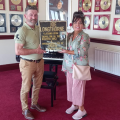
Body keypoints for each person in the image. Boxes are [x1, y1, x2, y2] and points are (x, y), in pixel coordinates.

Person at [14, 5, 46, 120]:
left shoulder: (39, 28)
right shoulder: (21, 30)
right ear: (25, 16)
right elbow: (18, 51)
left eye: (35, 14)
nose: (33, 17)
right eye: (31, 14)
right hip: (27, 63)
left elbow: (47, 40)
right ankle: (25, 109)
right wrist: (35, 50)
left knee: (37, 85)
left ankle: (34, 103)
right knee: (26, 87)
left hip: (40, 61)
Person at [59, 10, 90, 120]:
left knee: (78, 88)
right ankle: (75, 104)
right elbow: (61, 45)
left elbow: (82, 52)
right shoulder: (69, 35)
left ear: (83, 24)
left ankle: (82, 109)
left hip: (79, 66)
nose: (78, 24)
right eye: (76, 22)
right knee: (71, 87)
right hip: (69, 66)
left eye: (80, 22)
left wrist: (66, 51)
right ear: (72, 23)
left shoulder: (84, 36)